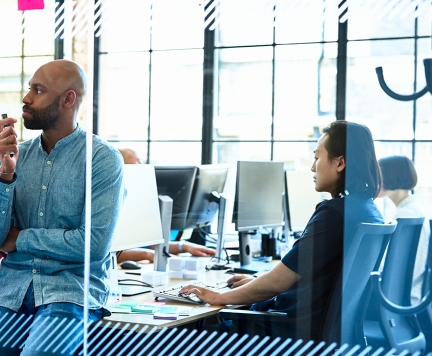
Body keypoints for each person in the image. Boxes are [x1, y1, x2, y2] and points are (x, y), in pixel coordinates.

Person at [0, 60, 125, 356]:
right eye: (30, 88)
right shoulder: (15, 156)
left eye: (38, 90)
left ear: (68, 99)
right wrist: (4, 173)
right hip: (11, 289)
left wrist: (20, 239)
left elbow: (92, 244)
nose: (26, 98)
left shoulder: (102, 160)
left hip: (70, 291)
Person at [181, 120, 383, 341]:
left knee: (191, 330)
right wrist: (257, 282)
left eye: (317, 157)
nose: (313, 167)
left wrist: (220, 296)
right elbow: (313, 278)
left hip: (288, 334)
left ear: (340, 163)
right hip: (324, 335)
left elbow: (278, 283)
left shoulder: (334, 215)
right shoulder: (367, 211)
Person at [115, 148, 215, 262]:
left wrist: (184, 246)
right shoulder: (113, 205)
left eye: (141, 161)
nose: (142, 166)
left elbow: (150, 244)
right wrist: (148, 254)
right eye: (137, 162)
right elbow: (108, 251)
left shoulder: (136, 203)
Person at [378, 155, 427, 302]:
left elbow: (391, 269)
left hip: (397, 298)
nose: (374, 181)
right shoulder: (413, 210)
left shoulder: (406, 215)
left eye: (378, 176)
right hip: (403, 294)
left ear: (390, 178)